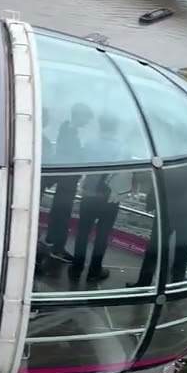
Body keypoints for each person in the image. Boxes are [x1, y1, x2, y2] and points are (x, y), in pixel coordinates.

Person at [131, 161, 187, 289]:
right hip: (186, 214)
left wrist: (152, 202)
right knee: (181, 251)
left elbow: (158, 183)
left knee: (156, 249)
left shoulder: (173, 161)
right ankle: (176, 284)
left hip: (167, 212)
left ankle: (144, 282)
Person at [70, 114, 131, 284]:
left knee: (82, 232)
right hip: (110, 199)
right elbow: (125, 175)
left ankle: (76, 267)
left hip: (89, 196)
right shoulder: (123, 149)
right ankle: (94, 270)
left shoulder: (90, 143)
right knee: (102, 235)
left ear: (100, 126)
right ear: (116, 127)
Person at [44, 103, 93, 263]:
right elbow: (70, 156)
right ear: (78, 115)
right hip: (68, 180)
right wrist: (83, 153)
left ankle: (51, 240)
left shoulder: (65, 130)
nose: (87, 122)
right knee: (63, 213)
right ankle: (57, 248)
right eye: (86, 117)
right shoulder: (69, 134)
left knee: (59, 210)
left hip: (64, 178)